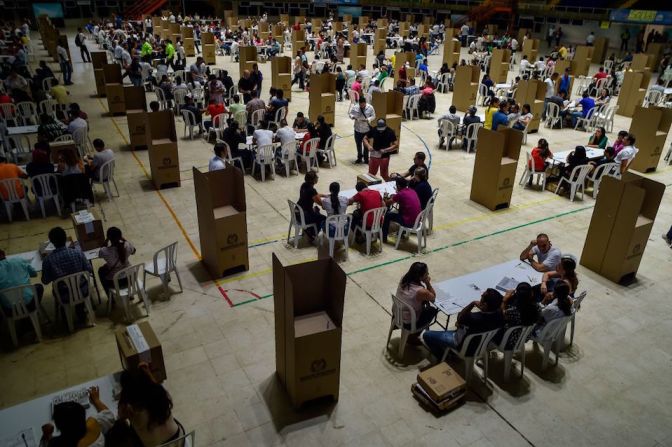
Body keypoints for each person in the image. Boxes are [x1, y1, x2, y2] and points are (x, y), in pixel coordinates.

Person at [422, 288, 504, 358]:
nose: (481, 295)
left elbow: (459, 318)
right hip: (482, 345)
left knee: (426, 335)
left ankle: (443, 356)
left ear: (485, 305)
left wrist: (473, 303)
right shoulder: (500, 316)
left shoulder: (474, 317)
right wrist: (460, 325)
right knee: (456, 327)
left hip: (463, 345)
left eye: (483, 296)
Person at [116, 367, 185, 445]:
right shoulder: (161, 394)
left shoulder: (131, 409)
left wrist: (124, 394)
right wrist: (148, 373)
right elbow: (155, 385)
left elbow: (120, 416)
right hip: (179, 440)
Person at [41, 227, 93, 321]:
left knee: (59, 290)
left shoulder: (48, 260)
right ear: (65, 239)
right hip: (82, 290)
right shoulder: (77, 253)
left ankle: (66, 319)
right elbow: (89, 269)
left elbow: (45, 281)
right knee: (78, 286)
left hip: (63, 295)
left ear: (52, 242)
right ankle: (81, 313)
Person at [40, 386, 115, 447]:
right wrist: (96, 400)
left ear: (58, 427)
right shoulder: (93, 424)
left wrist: (47, 435)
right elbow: (109, 415)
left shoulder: (55, 444)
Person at [395, 262, 438, 344]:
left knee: (423, 303)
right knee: (432, 310)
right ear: (420, 276)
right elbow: (433, 297)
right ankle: (412, 337)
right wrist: (427, 282)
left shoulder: (404, 278)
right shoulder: (420, 291)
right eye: (426, 273)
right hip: (408, 322)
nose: (428, 274)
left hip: (397, 313)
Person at [0, 248, 44, 314]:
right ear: (3, 254)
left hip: (10, 311)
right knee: (39, 287)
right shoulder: (18, 260)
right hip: (29, 304)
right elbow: (34, 274)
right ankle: (35, 310)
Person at [497, 282, 540, 348]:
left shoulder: (513, 311)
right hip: (526, 336)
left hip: (511, 340)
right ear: (531, 294)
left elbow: (502, 314)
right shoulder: (537, 307)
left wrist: (504, 300)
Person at [98, 227, 135, 297]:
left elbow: (100, 253)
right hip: (130, 278)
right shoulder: (127, 245)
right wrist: (124, 239)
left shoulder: (104, 251)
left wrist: (106, 240)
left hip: (116, 283)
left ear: (109, 238)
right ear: (120, 236)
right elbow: (134, 251)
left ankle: (110, 298)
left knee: (101, 270)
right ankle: (130, 295)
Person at [382, 177, 421, 243]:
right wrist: (397, 195)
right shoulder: (412, 190)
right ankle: (402, 232)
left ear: (398, 186)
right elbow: (405, 199)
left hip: (410, 223)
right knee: (401, 209)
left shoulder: (401, 194)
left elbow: (387, 203)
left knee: (388, 215)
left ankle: (384, 237)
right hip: (417, 220)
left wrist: (385, 197)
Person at [297, 171, 326, 242]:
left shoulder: (304, 185)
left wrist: (323, 195)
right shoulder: (312, 190)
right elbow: (321, 204)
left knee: (316, 211)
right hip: (304, 215)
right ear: (313, 180)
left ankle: (310, 230)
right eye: (316, 177)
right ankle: (312, 233)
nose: (317, 178)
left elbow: (314, 195)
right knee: (323, 218)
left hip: (297, 212)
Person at [349, 96, 376, 164]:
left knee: (366, 145)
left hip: (366, 130)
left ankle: (366, 159)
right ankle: (359, 158)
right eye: (360, 105)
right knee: (358, 144)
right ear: (359, 103)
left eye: (363, 105)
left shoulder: (370, 107)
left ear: (365, 103)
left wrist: (368, 119)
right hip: (357, 129)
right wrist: (352, 117)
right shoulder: (355, 107)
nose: (362, 106)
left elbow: (373, 116)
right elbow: (350, 113)